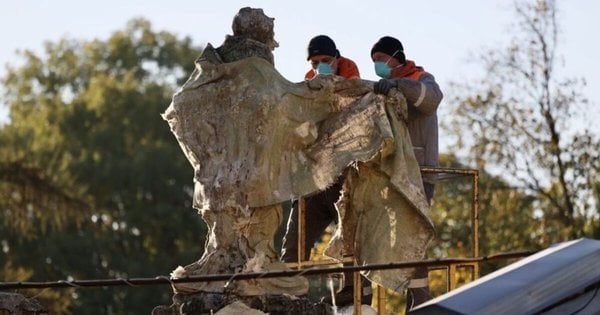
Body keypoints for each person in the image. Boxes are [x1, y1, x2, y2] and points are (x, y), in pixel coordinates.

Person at [281, 35, 369, 306]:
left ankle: (356, 292)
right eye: (315, 62)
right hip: (311, 179)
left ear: (337, 59)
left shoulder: (352, 79)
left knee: (350, 238)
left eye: (325, 61)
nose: (320, 66)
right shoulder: (307, 84)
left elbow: (348, 111)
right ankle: (291, 294)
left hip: (343, 178)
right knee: (294, 241)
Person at [371, 36, 443, 311]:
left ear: (395, 57)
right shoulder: (383, 87)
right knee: (391, 239)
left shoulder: (422, 78)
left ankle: (420, 303)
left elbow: (430, 100)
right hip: (393, 173)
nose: (378, 65)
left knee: (414, 234)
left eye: (381, 59)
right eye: (375, 61)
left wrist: (399, 85)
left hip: (419, 173)